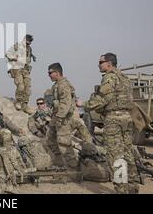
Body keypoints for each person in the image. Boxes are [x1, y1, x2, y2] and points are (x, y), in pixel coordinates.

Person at [76, 53, 140, 194]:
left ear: (109, 63)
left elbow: (102, 100)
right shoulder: (124, 78)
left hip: (113, 120)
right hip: (127, 118)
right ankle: (133, 186)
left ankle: (122, 190)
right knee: (128, 153)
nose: (98, 64)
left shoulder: (109, 77)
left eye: (101, 62)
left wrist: (83, 104)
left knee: (115, 156)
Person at [45, 63, 80, 169]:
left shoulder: (63, 85)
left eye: (50, 73)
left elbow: (65, 103)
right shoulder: (56, 85)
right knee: (50, 138)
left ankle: (73, 167)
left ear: (57, 73)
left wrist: (59, 118)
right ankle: (59, 161)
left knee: (64, 142)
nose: (49, 75)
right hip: (56, 116)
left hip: (63, 118)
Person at [5, 34, 36, 114]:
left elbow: (28, 55)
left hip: (25, 69)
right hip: (17, 68)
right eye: (27, 42)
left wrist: (33, 56)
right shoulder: (17, 46)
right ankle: (18, 101)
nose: (27, 44)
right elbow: (7, 54)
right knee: (21, 86)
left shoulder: (29, 48)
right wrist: (13, 58)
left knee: (28, 88)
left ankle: (25, 105)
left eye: (29, 43)